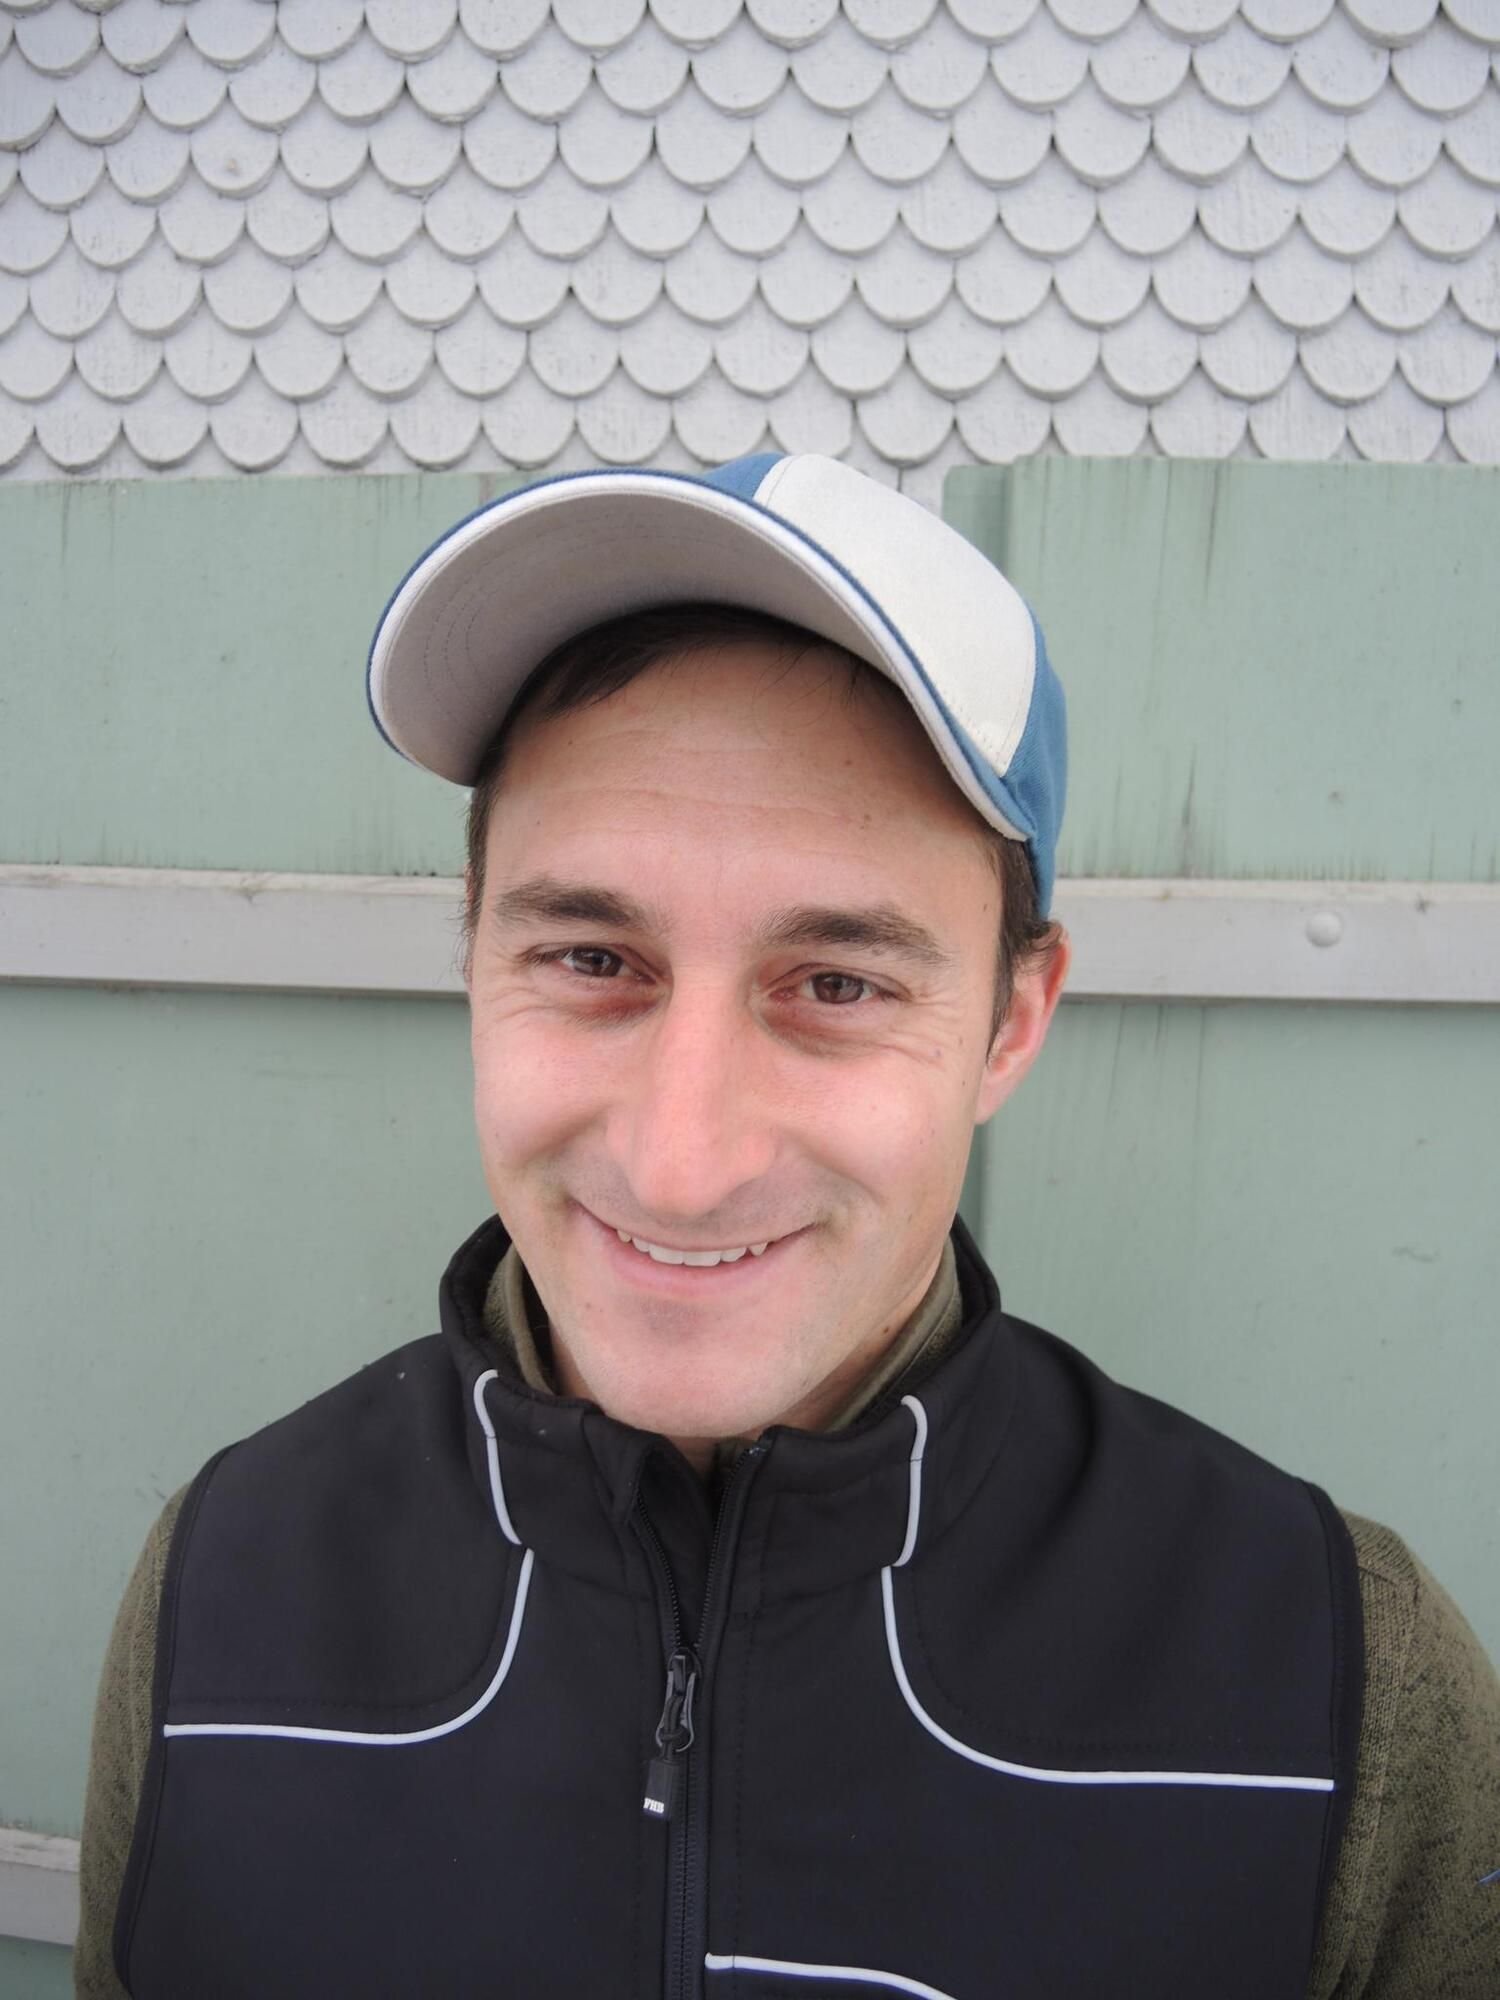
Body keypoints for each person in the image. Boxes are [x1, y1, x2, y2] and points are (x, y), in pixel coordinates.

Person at [78, 455, 1498, 1997]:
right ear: (471, 954)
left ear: (1013, 1021)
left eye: (837, 984)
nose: (683, 1166)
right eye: (592, 959)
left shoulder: (1347, 1682)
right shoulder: (217, 1592)